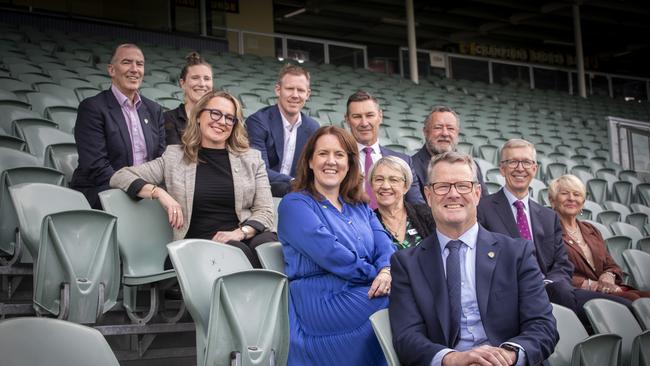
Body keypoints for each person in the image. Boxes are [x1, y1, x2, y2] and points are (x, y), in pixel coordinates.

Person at [390, 151, 558, 366]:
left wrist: (507, 356)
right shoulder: (406, 263)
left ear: (478, 193)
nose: (453, 194)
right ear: (428, 196)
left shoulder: (517, 253)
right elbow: (406, 337)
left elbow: (543, 326)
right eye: (442, 186)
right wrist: (452, 359)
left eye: (463, 185)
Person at [110, 90, 275, 268]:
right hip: (197, 246)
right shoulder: (175, 157)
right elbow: (120, 176)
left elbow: (265, 211)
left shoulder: (251, 159)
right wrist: (158, 193)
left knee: (268, 245)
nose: (222, 122)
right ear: (198, 116)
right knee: (235, 252)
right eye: (215, 113)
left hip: (239, 236)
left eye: (229, 118)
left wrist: (240, 232)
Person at [477, 139, 632, 325]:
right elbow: (482, 259)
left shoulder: (548, 217)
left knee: (626, 308)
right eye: (512, 162)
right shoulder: (483, 208)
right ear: (502, 169)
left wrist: (549, 283)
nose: (520, 168)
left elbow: (562, 264)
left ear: (534, 169)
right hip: (510, 292)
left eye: (526, 162)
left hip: (553, 290)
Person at [277, 125, 395, 366]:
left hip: (361, 290)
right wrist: (377, 276)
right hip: (321, 299)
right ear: (310, 161)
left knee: (415, 299)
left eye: (339, 155)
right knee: (407, 300)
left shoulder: (360, 206)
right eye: (323, 154)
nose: (331, 161)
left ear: (350, 163)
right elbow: (332, 255)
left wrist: (387, 270)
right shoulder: (295, 204)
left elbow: (385, 243)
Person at [71, 43, 166, 209]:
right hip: (106, 193)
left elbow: (161, 160)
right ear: (111, 70)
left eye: (140, 64)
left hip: (147, 195)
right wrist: (142, 188)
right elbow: (96, 167)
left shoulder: (153, 110)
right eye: (126, 62)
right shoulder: (93, 108)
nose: (134, 69)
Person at [548, 174, 650, 300]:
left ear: (583, 202)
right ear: (552, 200)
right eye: (564, 193)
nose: (571, 198)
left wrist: (609, 275)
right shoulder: (548, 231)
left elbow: (611, 265)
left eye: (577, 194)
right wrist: (590, 284)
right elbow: (550, 272)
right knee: (634, 299)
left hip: (609, 290)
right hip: (579, 294)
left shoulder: (591, 230)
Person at [246, 63, 320, 197]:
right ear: (278, 90)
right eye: (290, 88)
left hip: (298, 197)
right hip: (261, 194)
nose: (295, 95)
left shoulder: (313, 128)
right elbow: (259, 170)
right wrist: (294, 183)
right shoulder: (258, 122)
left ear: (308, 94)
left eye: (301, 90)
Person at [344, 90, 424, 209]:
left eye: (370, 115)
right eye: (357, 116)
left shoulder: (403, 161)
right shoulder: (339, 161)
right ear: (347, 119)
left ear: (380, 116)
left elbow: (418, 207)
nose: (364, 123)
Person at [411, 106, 487, 198]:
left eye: (450, 128)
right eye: (438, 127)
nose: (445, 133)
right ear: (425, 132)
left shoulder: (471, 165)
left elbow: (483, 203)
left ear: (457, 133)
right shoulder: (412, 167)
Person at [370, 156, 435, 249]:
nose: (385, 186)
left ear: (406, 186)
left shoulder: (427, 215)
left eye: (393, 180)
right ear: (372, 185)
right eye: (379, 179)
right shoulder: (367, 223)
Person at [164, 51, 213, 145]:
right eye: (195, 78)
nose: (202, 84)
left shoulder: (219, 118)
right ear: (182, 83)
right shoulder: (168, 118)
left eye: (207, 79)